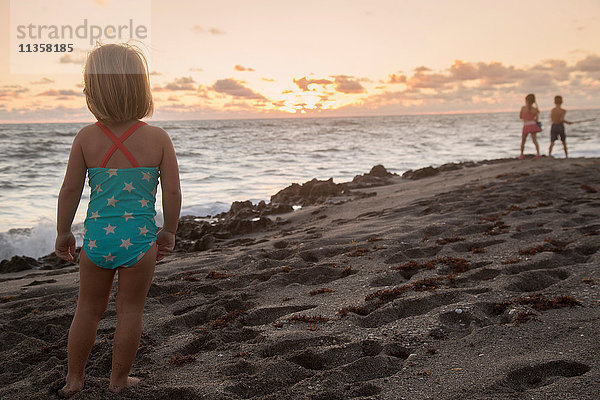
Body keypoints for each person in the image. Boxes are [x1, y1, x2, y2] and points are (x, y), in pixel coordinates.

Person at [55, 43, 181, 396]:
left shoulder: (85, 138)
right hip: (140, 242)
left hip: (97, 240)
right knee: (130, 312)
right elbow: (171, 193)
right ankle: (118, 380)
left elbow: (69, 192)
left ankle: (74, 380)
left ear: (92, 92)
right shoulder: (158, 139)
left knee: (88, 309)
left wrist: (63, 231)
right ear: (140, 88)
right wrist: (168, 231)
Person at [519, 93, 542, 159]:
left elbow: (520, 117)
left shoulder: (523, 108)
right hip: (532, 124)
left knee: (523, 141)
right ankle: (538, 154)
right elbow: (537, 119)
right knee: (534, 140)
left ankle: (521, 155)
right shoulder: (535, 109)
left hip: (526, 125)